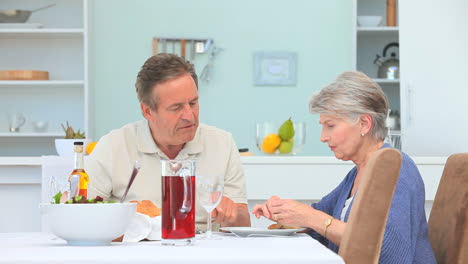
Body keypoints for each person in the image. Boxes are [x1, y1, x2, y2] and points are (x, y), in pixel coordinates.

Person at [252, 71, 436, 263]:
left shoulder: (396, 170)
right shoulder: (359, 172)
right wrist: (286, 212)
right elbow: (322, 216)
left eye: (330, 125)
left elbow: (385, 251)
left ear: (364, 123)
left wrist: (311, 218)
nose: (323, 137)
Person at [87, 53, 251, 230]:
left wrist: (232, 214)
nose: (189, 116)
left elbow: (243, 221)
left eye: (193, 103)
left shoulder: (222, 143)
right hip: (139, 253)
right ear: (148, 111)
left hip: (204, 253)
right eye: (176, 107)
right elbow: (81, 213)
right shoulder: (113, 146)